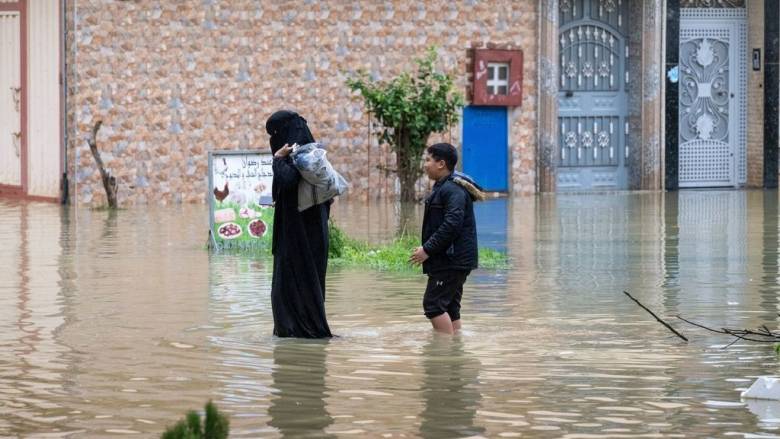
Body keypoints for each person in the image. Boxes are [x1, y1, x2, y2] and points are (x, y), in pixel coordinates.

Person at [265, 110, 332, 338]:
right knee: (305, 285)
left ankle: (298, 332)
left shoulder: (301, 155)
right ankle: (302, 332)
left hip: (298, 238)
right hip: (311, 234)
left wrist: (277, 158)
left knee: (291, 286)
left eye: (274, 133)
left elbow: (287, 180)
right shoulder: (314, 156)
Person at [410, 143, 479, 334]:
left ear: (441, 164)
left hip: (451, 260)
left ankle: (444, 356)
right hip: (453, 259)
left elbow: (451, 225)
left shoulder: (452, 190)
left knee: (433, 306)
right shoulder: (445, 187)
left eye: (428, 160)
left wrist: (427, 249)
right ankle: (455, 352)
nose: (425, 165)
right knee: (450, 306)